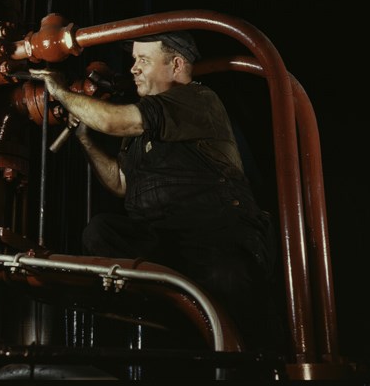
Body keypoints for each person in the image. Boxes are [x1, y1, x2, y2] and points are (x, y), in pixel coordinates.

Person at [30, 31, 279, 350]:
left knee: (226, 278)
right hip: (165, 242)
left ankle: (245, 356)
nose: (133, 68)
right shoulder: (138, 132)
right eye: (134, 60)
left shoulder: (196, 99)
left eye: (143, 60)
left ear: (176, 65)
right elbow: (121, 182)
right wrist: (85, 139)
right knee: (101, 231)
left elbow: (114, 121)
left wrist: (61, 92)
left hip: (216, 239)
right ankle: (162, 325)